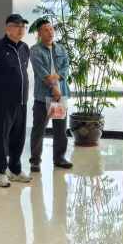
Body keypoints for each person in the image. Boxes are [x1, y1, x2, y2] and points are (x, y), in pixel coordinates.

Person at [0, 13, 32, 187]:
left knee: (18, 137)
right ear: (8, 28)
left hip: (21, 101)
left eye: (23, 26)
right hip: (2, 102)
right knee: (1, 138)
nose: (21, 29)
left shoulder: (25, 48)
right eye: (17, 26)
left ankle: (15, 169)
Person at [29, 19, 73, 172]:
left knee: (60, 130)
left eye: (52, 29)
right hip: (43, 96)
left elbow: (66, 67)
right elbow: (42, 73)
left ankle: (59, 159)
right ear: (39, 33)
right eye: (46, 30)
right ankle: (35, 161)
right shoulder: (35, 50)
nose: (50, 32)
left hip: (59, 97)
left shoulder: (61, 48)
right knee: (39, 129)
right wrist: (54, 87)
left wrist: (57, 76)